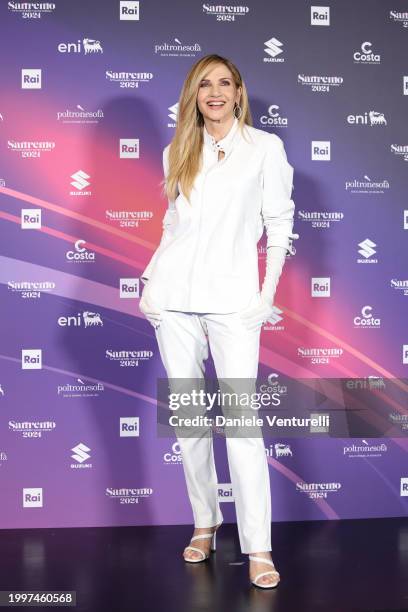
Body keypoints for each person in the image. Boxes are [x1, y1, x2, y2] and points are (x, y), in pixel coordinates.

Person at [139, 54, 298, 589]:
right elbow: (172, 224)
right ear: (193, 94)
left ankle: (258, 547)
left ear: (237, 93)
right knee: (188, 425)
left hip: (234, 303)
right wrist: (150, 282)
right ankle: (205, 521)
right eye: (204, 84)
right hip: (174, 303)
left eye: (223, 83)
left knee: (242, 427)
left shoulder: (264, 148)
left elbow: (279, 223)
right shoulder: (177, 150)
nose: (214, 92)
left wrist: (265, 295)